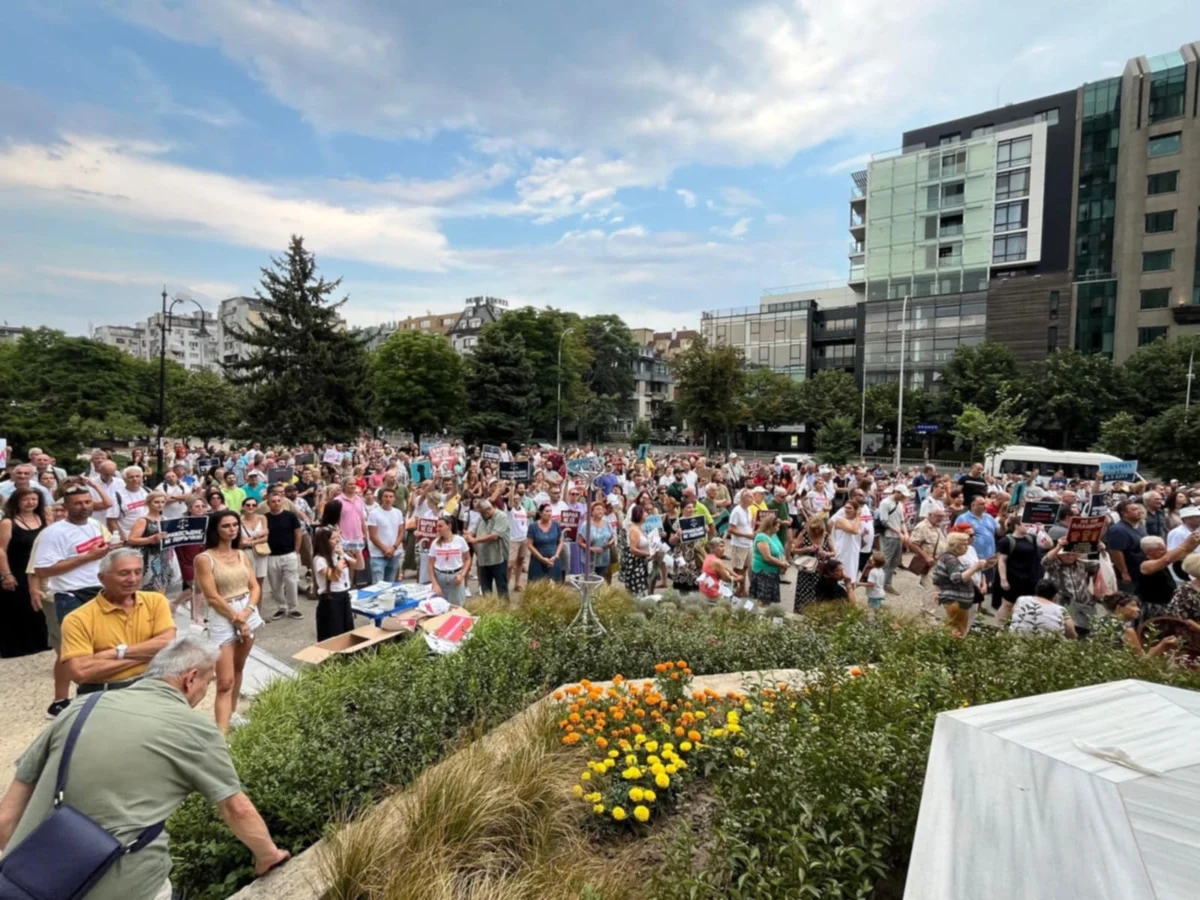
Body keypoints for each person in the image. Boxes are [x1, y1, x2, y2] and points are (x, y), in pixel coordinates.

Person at [0, 636, 290, 898]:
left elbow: (6, 817)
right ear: (190, 679)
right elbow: (236, 808)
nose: (204, 690)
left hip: (27, 884)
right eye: (207, 682)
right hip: (127, 885)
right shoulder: (194, 729)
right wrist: (268, 854)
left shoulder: (81, 707)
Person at [33, 485, 113, 717]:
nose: (84, 507)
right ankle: (60, 700)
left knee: (101, 646)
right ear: (66, 506)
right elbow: (43, 569)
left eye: (87, 502)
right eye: (77, 503)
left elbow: (105, 552)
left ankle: (92, 695)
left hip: (99, 589)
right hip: (71, 593)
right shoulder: (54, 533)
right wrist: (87, 557)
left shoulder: (96, 526)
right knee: (72, 652)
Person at [59, 548, 176, 694]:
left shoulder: (156, 601)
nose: (132, 579)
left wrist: (115, 653)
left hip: (151, 685)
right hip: (104, 692)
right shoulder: (78, 619)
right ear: (102, 578)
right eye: (124, 573)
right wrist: (150, 656)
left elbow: (168, 643)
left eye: (138, 572)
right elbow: (81, 672)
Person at [193, 511, 263, 733]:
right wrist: (237, 618)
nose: (232, 529)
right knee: (225, 680)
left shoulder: (241, 555)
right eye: (226, 526)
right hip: (223, 614)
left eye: (235, 525)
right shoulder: (204, 559)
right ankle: (220, 734)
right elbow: (211, 596)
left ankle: (232, 714)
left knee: (239, 666)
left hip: (247, 609)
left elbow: (255, 586)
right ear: (216, 529)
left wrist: (248, 612)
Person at [0, 487, 49, 657]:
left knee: (39, 606)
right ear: (17, 502)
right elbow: (1, 550)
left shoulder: (42, 518)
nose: (30, 503)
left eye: (33, 499)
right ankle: (18, 647)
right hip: (17, 567)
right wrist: (6, 574)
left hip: (39, 568)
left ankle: (41, 643)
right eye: (26, 499)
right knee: (18, 607)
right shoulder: (8, 522)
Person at [933, 532, 995, 638]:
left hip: (956, 600)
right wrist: (975, 567)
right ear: (955, 545)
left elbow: (937, 579)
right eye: (964, 545)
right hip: (956, 600)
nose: (967, 547)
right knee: (957, 631)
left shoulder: (948, 558)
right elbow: (956, 578)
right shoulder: (950, 559)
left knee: (954, 629)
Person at [312, 525, 363, 640]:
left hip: (344, 595)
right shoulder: (319, 560)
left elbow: (360, 566)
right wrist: (339, 560)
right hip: (330, 599)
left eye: (338, 537)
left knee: (347, 629)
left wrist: (358, 553)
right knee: (333, 632)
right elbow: (334, 577)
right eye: (334, 539)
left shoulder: (339, 554)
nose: (338, 541)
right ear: (325, 541)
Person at [127, 491, 178, 595]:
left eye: (163, 502)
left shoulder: (165, 519)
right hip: (149, 557)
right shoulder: (143, 520)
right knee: (148, 588)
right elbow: (132, 539)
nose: (160, 504)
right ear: (149, 503)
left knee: (162, 588)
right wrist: (150, 539)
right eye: (156, 502)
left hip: (164, 557)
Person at [264, 488, 303, 621]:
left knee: (291, 582)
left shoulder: (290, 516)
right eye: (273, 501)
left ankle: (293, 608)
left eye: (278, 501)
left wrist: (296, 550)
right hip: (271, 556)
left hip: (289, 554)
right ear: (268, 504)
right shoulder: (265, 518)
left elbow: (298, 533)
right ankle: (281, 607)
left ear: (282, 502)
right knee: (275, 585)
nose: (276, 503)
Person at [1101, 592, 1179, 657]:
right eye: (1133, 605)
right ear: (1119, 608)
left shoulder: (1101, 623)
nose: (1138, 609)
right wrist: (1162, 644)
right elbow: (1141, 661)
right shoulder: (1126, 630)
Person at [996, 516, 1043, 623]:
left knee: (1026, 604)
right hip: (1014, 577)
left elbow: (1048, 544)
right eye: (1025, 525)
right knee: (1008, 604)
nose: (1028, 527)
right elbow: (1002, 561)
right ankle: (1000, 627)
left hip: (1031, 578)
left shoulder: (1032, 538)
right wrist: (1003, 579)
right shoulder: (1006, 541)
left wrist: (1043, 531)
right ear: (1016, 526)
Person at [468, 499, 509, 596]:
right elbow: (472, 531)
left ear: (489, 510)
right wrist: (469, 534)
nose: (481, 516)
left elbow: (494, 536)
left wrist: (475, 540)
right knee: (485, 588)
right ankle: (487, 609)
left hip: (498, 559)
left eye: (482, 513)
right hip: (483, 559)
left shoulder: (501, 516)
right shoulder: (482, 518)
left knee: (502, 588)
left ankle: (505, 609)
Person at [1009, 579, 1076, 638]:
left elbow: (1013, 614)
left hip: (1017, 640)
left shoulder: (1021, 599)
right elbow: (1070, 631)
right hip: (1046, 646)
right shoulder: (1061, 610)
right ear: (1055, 596)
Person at [1107, 500, 1147, 593]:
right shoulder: (1118, 530)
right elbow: (1116, 552)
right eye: (1134, 510)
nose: (1139, 511)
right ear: (1124, 513)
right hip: (1130, 572)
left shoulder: (1140, 526)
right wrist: (1124, 572)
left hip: (1140, 571)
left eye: (1139, 509)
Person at [430, 516, 471, 605]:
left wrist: (462, 575)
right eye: (437, 526)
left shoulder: (460, 540)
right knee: (440, 607)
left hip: (456, 577)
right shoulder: (435, 543)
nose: (438, 529)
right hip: (440, 577)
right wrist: (435, 584)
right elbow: (430, 565)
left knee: (457, 606)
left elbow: (467, 559)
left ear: (449, 526)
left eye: (441, 526)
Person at [367, 487, 405, 583]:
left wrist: (393, 548)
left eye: (391, 496)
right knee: (378, 586)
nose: (388, 499)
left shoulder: (398, 513)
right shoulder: (374, 514)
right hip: (378, 555)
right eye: (386, 496)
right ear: (381, 498)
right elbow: (373, 535)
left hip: (394, 554)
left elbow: (401, 532)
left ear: (394, 499)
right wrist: (385, 549)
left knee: (390, 584)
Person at [750, 512, 788, 607]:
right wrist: (782, 564)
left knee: (768, 600)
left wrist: (783, 560)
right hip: (763, 572)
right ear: (771, 526)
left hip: (773, 572)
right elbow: (767, 557)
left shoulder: (773, 535)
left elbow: (780, 550)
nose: (778, 529)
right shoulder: (761, 537)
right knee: (763, 600)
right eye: (777, 527)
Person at [876, 485, 909, 595]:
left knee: (894, 561)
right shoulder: (885, 503)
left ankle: (887, 584)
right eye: (902, 495)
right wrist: (899, 532)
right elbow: (884, 521)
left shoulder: (900, 504)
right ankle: (880, 585)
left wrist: (905, 533)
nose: (903, 497)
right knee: (886, 561)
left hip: (897, 536)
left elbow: (902, 520)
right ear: (897, 492)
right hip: (888, 535)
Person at [106, 465, 149, 541]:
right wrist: (122, 540)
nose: (134, 479)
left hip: (149, 535)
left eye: (137, 476)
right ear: (124, 480)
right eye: (131, 477)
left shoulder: (147, 491)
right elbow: (111, 521)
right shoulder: (117, 496)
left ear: (142, 478)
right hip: (129, 537)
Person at [527, 503, 566, 584]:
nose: (549, 513)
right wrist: (541, 558)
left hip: (553, 561)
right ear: (540, 513)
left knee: (554, 587)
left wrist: (556, 556)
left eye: (550, 511)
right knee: (536, 587)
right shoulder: (533, 526)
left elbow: (561, 542)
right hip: (537, 561)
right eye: (547, 511)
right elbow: (529, 545)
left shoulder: (556, 525)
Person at [727, 490, 755, 596]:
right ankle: (735, 589)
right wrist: (746, 535)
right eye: (750, 497)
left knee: (745, 567)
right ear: (743, 498)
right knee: (737, 568)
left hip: (749, 544)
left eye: (752, 497)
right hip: (739, 544)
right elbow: (731, 529)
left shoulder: (748, 510)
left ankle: (742, 589)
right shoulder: (736, 511)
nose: (752, 499)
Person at [829, 497, 863, 585]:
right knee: (841, 575)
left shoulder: (856, 521)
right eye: (846, 507)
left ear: (855, 510)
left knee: (851, 577)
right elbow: (854, 530)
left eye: (850, 508)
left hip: (853, 552)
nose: (847, 510)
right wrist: (859, 516)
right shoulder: (840, 520)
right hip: (842, 551)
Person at [238, 495, 269, 588]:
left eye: (253, 505)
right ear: (243, 506)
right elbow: (240, 541)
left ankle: (258, 603)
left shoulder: (262, 518)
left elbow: (266, 538)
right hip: (246, 553)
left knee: (259, 583)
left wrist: (251, 541)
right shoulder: (238, 520)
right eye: (248, 505)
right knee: (248, 582)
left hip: (261, 551)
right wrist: (257, 537)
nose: (251, 507)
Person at [619, 504, 651, 596]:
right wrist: (647, 554)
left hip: (641, 562)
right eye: (644, 512)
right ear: (639, 514)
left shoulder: (640, 528)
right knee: (636, 591)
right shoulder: (634, 530)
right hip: (635, 564)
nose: (646, 514)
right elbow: (633, 549)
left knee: (642, 589)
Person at [580, 500, 615, 581]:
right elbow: (580, 542)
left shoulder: (607, 523)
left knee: (601, 582)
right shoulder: (586, 525)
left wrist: (610, 543)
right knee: (589, 582)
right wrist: (592, 549)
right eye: (598, 509)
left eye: (602, 509)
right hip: (590, 560)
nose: (600, 511)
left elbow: (612, 537)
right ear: (592, 512)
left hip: (604, 558)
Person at [860, 549, 887, 617]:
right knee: (877, 608)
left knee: (872, 609)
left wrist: (859, 583)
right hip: (879, 592)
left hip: (874, 594)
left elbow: (871, 584)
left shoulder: (873, 571)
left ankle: (874, 621)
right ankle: (878, 618)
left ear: (873, 562)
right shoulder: (881, 570)